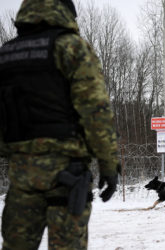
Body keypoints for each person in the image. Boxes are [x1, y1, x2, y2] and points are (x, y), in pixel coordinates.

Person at [0, 0, 120, 249]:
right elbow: (96, 112)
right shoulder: (72, 48)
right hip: (66, 176)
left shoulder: (6, 54)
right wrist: (108, 164)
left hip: (22, 177)